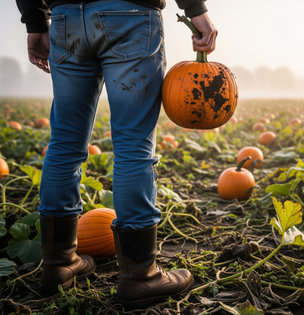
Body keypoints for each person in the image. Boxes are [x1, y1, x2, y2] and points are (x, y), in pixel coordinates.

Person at [15, 0, 217, 309]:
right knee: (134, 144)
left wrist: (35, 21)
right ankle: (140, 274)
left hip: (66, 15)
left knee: (65, 141)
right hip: (130, 13)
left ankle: (59, 262)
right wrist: (195, 10)